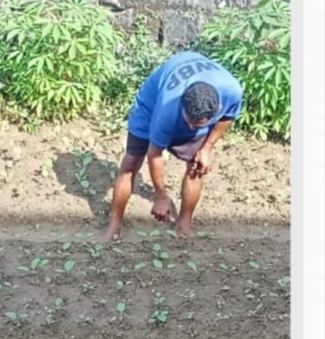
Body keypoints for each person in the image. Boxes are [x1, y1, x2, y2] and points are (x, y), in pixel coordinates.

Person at [103, 51, 243, 241]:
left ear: (216, 110)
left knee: (196, 166)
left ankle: (184, 225)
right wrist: (160, 196)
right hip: (149, 106)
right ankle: (114, 227)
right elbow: (154, 153)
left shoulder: (232, 92)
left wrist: (207, 147)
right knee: (131, 163)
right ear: (182, 105)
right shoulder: (167, 109)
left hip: (192, 101)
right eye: (189, 121)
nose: (191, 128)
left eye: (198, 124)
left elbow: (228, 116)